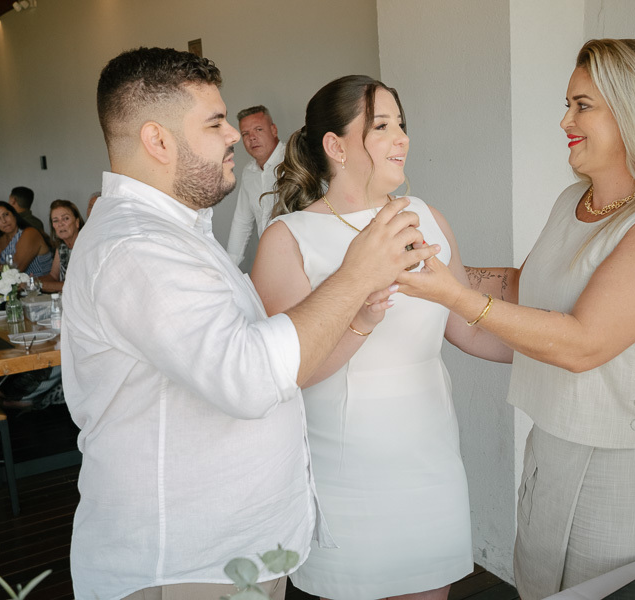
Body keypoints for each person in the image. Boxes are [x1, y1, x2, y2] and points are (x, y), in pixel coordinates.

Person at [62, 47, 437, 600]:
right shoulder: (138, 249)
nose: (234, 135)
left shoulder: (175, 233)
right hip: (187, 565)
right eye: (215, 122)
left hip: (228, 553)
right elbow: (248, 374)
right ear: (157, 140)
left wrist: (357, 316)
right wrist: (355, 274)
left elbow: (256, 351)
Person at [397, 39, 635, 599]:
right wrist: (430, 259)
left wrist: (454, 297)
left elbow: (581, 344)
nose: (564, 121)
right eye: (568, 104)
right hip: (550, 455)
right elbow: (522, 296)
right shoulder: (571, 202)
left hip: (629, 478)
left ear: (633, 114)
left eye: (582, 106)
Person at [251, 75, 510, 600]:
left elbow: (467, 326)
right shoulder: (288, 239)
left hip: (431, 462)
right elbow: (285, 374)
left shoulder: (428, 220)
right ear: (335, 146)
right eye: (383, 126)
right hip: (347, 476)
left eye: (402, 125)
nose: (403, 138)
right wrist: (359, 319)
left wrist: (565, 346)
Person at [225, 105, 285, 266]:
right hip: (270, 261)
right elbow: (242, 221)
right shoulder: (249, 172)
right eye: (245, 133)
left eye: (258, 129)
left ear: (274, 130)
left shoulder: (294, 160)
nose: (252, 137)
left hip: (304, 259)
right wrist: (229, 266)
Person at [0, 200, 54, 276]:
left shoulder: (30, 233)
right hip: (17, 286)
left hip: (39, 285)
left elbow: (17, 268)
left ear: (14, 215)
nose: (4, 221)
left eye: (6, 215)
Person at [37, 199, 84, 293]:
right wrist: (30, 281)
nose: (60, 224)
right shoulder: (62, 247)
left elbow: (77, 285)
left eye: (66, 218)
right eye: (55, 220)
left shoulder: (85, 245)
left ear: (77, 222)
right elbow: (53, 276)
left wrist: (38, 285)